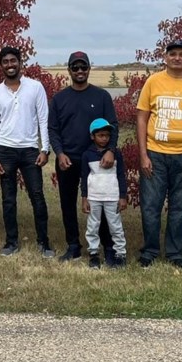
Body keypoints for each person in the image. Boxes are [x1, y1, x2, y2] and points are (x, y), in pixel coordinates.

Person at [136, 40, 182, 268]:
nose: (177, 58)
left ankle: (175, 253)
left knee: (180, 208)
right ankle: (149, 251)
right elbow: (142, 117)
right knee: (150, 206)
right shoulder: (153, 81)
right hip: (155, 154)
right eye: (173, 54)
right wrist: (143, 155)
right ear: (166, 57)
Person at [49, 51, 121, 263]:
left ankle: (107, 246)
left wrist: (110, 150)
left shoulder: (102, 96)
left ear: (89, 69)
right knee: (68, 203)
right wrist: (59, 153)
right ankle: (73, 245)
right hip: (68, 159)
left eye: (84, 67)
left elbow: (113, 126)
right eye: (75, 67)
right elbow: (53, 129)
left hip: (97, 160)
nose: (80, 71)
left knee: (103, 201)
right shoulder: (60, 99)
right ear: (69, 70)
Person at [0, 46, 56, 259]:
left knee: (37, 196)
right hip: (6, 150)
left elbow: (44, 119)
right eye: (5, 62)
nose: (10, 65)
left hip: (29, 150)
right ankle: (11, 242)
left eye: (13, 61)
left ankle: (44, 242)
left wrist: (45, 149)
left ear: (20, 62)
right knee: (8, 199)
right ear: (1, 65)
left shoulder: (35, 87)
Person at [81, 118, 129, 269]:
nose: (104, 138)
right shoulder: (87, 155)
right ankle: (94, 254)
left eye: (107, 135)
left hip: (112, 197)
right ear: (92, 136)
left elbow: (121, 175)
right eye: (100, 135)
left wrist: (122, 196)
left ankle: (120, 254)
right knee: (93, 226)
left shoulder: (116, 154)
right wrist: (84, 198)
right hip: (94, 197)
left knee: (115, 226)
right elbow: (84, 177)